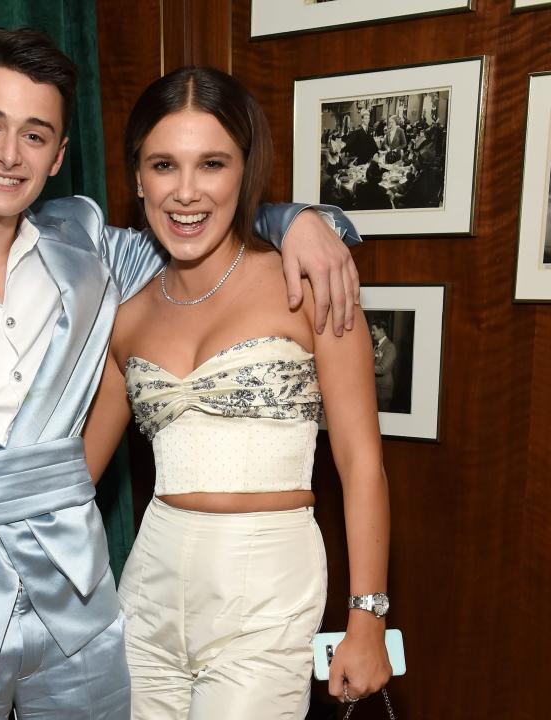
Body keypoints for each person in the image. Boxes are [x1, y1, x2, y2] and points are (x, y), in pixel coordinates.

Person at [0, 29, 362, 720]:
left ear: (59, 156)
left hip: (81, 619)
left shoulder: (91, 254)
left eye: (36, 135)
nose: (10, 154)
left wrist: (300, 220)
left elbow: (196, 217)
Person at [82, 66, 391, 719]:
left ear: (244, 173)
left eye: (212, 164)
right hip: (148, 596)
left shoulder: (308, 285)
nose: (186, 192)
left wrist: (367, 617)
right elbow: (73, 473)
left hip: (268, 598)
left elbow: (361, 462)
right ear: (138, 176)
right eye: (164, 165)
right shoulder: (128, 314)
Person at [371, 319, 397, 411]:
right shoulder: (376, 346)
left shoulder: (390, 347)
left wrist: (364, 367)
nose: (372, 333)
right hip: (375, 390)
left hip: (383, 392)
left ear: (381, 330)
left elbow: (382, 369)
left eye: (374, 330)